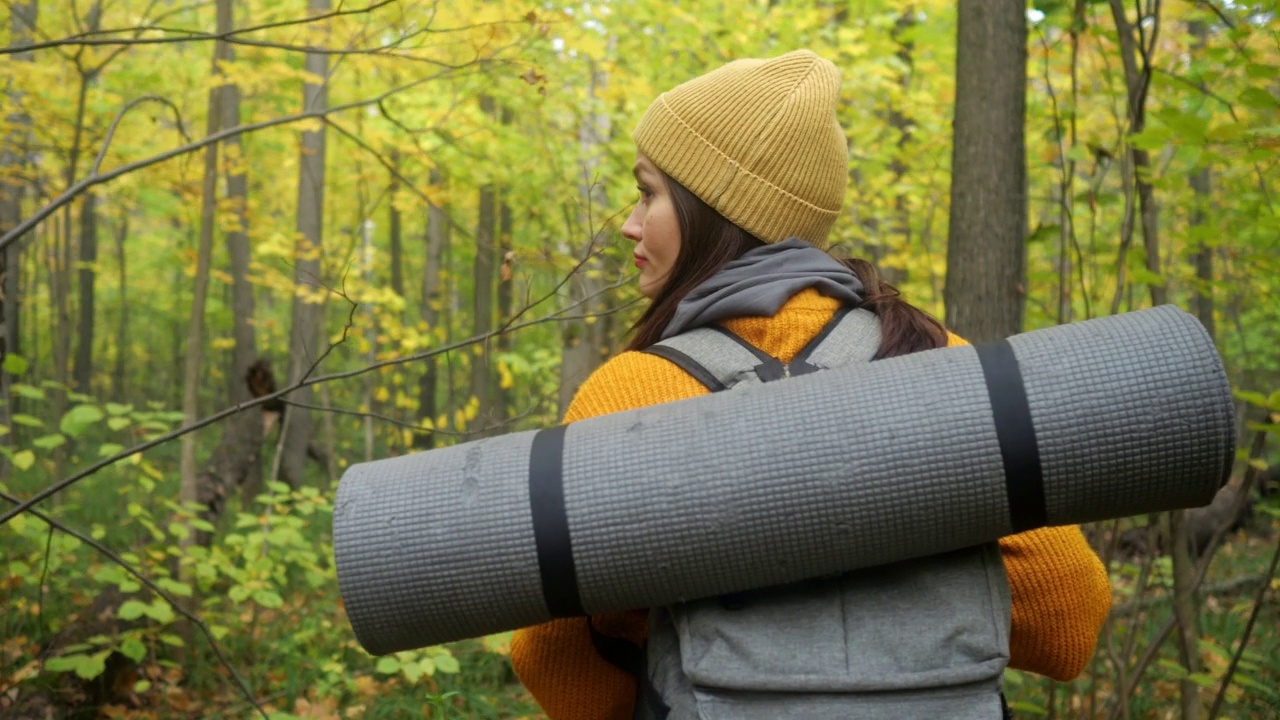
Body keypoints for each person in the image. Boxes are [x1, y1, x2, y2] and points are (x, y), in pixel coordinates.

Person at [510, 49, 1110, 719]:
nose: (629, 221)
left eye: (649, 192)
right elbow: (1067, 622)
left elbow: (558, 663)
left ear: (713, 208)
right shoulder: (941, 361)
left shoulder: (635, 391)